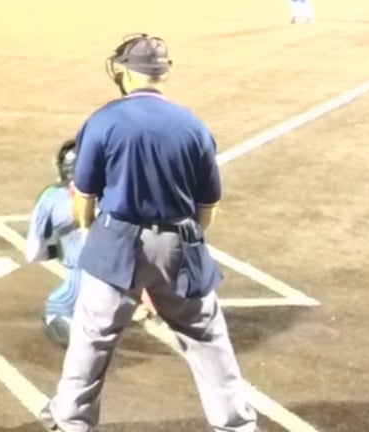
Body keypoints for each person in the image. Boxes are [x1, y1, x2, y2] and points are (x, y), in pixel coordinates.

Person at [40, 35, 255, 432]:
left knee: (92, 336)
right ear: (163, 74)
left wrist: (88, 234)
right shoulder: (192, 125)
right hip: (180, 241)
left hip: (117, 240)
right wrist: (185, 241)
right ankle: (237, 425)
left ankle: (70, 420)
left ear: (123, 72)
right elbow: (208, 205)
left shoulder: (104, 120)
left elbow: (83, 195)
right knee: (206, 335)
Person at [26, 139, 87, 345]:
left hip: (80, 286)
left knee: (56, 309)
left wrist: (56, 250)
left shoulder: (52, 196)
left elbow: (33, 252)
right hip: (130, 281)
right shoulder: (117, 190)